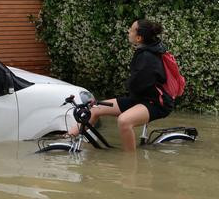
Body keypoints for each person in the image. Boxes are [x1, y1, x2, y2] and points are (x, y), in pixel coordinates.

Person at [67, 18, 173, 152]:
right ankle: (67, 139)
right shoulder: (146, 51)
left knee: (124, 121)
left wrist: (129, 87)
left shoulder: (148, 57)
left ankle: (129, 163)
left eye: (131, 29)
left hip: (156, 103)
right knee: (94, 109)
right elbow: (136, 86)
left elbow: (138, 84)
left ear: (139, 37)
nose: (128, 31)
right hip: (139, 99)